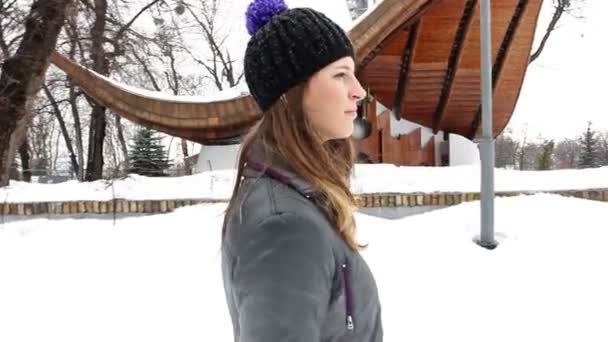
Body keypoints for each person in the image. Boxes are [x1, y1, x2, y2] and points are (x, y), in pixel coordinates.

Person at [220, 0, 383, 341]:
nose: (359, 91)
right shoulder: (283, 226)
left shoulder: (301, 197)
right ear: (289, 95)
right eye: (340, 75)